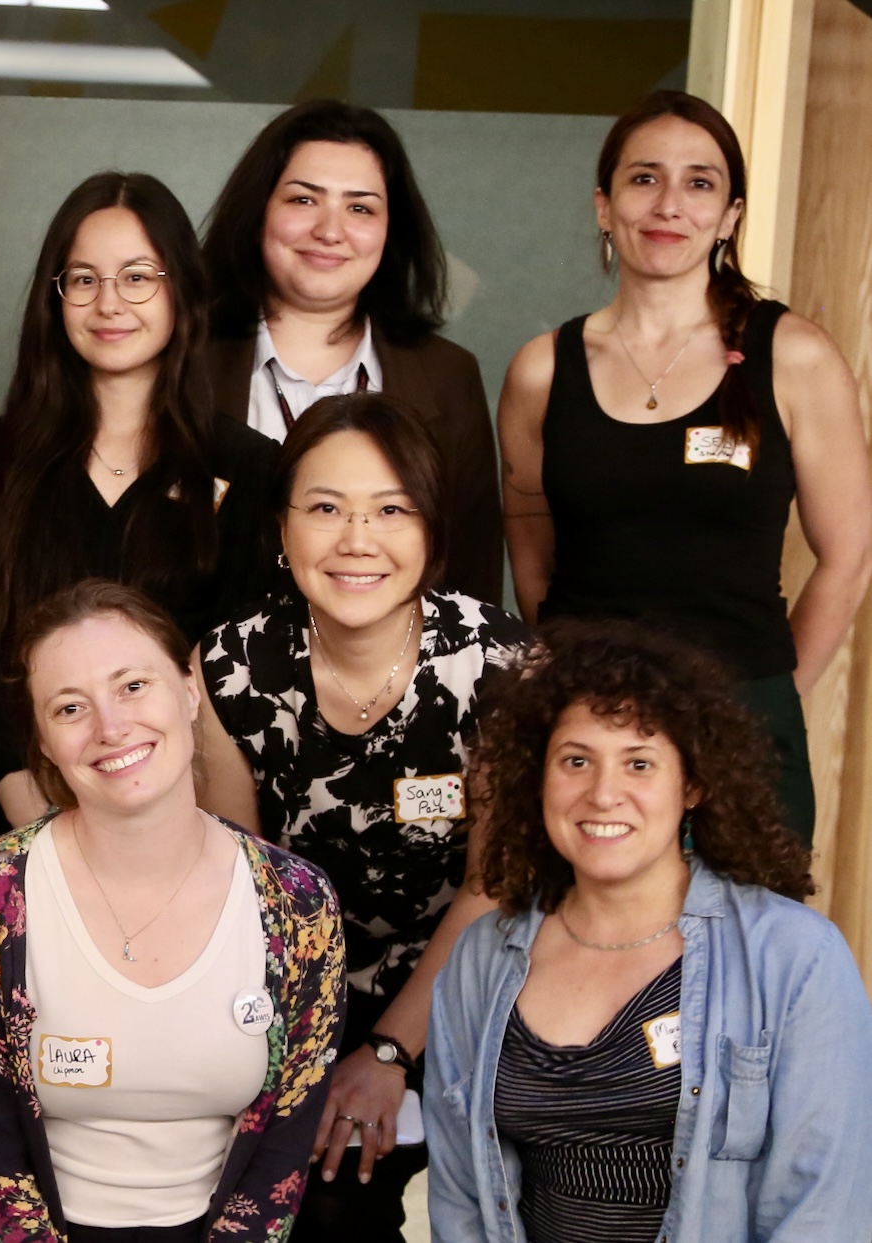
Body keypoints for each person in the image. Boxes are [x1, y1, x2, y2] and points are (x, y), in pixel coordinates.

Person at [195, 392, 529, 1241]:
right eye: (324, 508)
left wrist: (386, 1051)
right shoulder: (231, 665)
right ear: (280, 527)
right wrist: (305, 1064)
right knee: (296, 1183)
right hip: (290, 983)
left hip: (460, 977)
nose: (356, 539)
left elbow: (495, 884)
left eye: (390, 510)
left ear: (431, 528)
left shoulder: (497, 663)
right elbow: (245, 888)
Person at [498, 90, 872, 847]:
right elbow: (531, 552)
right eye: (644, 178)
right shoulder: (542, 369)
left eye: (699, 183)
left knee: (741, 926)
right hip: (585, 737)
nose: (668, 204)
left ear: (729, 216)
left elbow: (849, 556)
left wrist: (768, 694)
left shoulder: (793, 355)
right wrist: (574, 679)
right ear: (604, 206)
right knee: (576, 923)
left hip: (742, 727)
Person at [0, 580, 345, 1243]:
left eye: (132, 686)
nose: (110, 727)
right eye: (70, 707)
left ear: (189, 691)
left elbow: (284, 1143)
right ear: (42, 738)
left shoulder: (297, 903)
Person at [426, 620, 872, 1241]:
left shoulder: (796, 957)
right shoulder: (482, 958)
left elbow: (822, 1213)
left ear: (692, 785)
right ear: (538, 777)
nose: (604, 793)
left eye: (639, 763)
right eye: (576, 761)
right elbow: (461, 1201)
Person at [0, 172, 278, 872]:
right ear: (55, 296)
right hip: (12, 835)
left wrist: (151, 841)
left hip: (181, 833)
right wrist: (55, 839)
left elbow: (240, 679)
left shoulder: (245, 467)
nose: (109, 302)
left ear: (181, 291)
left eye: (137, 277)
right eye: (83, 279)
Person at [201, 101, 504, 604]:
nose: (330, 230)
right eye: (303, 200)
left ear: (391, 231)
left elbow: (471, 582)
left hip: (400, 657)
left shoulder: (448, 375)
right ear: (258, 214)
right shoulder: (184, 365)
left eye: (360, 208)